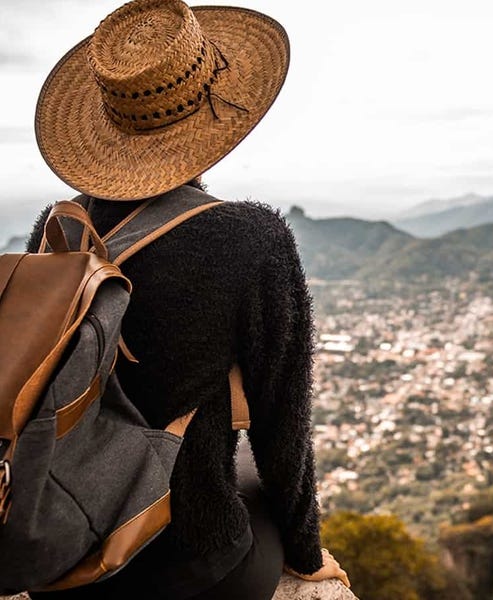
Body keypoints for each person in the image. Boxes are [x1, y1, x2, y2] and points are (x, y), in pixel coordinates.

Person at [23, 0, 348, 598]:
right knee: (247, 477)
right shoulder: (252, 240)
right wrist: (306, 557)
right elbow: (282, 429)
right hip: (185, 557)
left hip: (57, 535)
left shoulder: (61, 227)